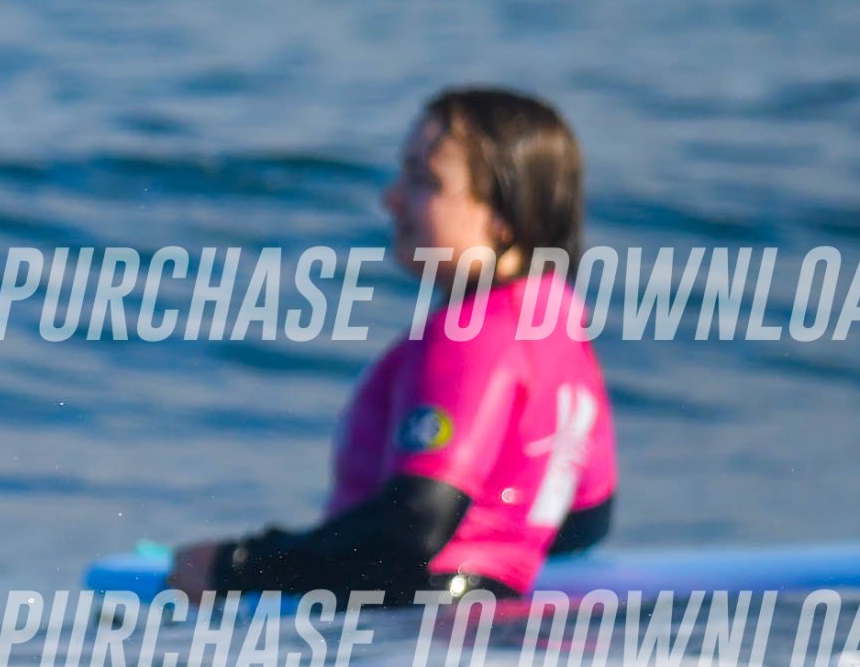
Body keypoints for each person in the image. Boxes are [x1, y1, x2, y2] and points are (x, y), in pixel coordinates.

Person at [166, 87, 614, 604]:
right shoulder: (561, 331)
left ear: (503, 216)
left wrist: (234, 567)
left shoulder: (472, 333)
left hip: (416, 632)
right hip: (489, 621)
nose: (392, 199)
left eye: (424, 181)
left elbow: (414, 525)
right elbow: (584, 520)